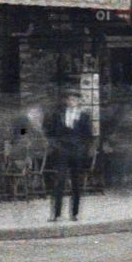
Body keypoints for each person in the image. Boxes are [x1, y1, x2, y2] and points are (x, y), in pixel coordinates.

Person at [44, 89, 94, 223]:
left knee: (76, 183)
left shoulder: (84, 116)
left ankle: (75, 213)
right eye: (70, 99)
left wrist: (83, 150)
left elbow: (88, 135)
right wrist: (56, 145)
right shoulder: (59, 114)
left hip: (77, 152)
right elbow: (51, 132)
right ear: (66, 101)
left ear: (79, 102)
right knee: (59, 181)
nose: (72, 102)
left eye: (75, 99)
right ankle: (56, 214)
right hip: (62, 151)